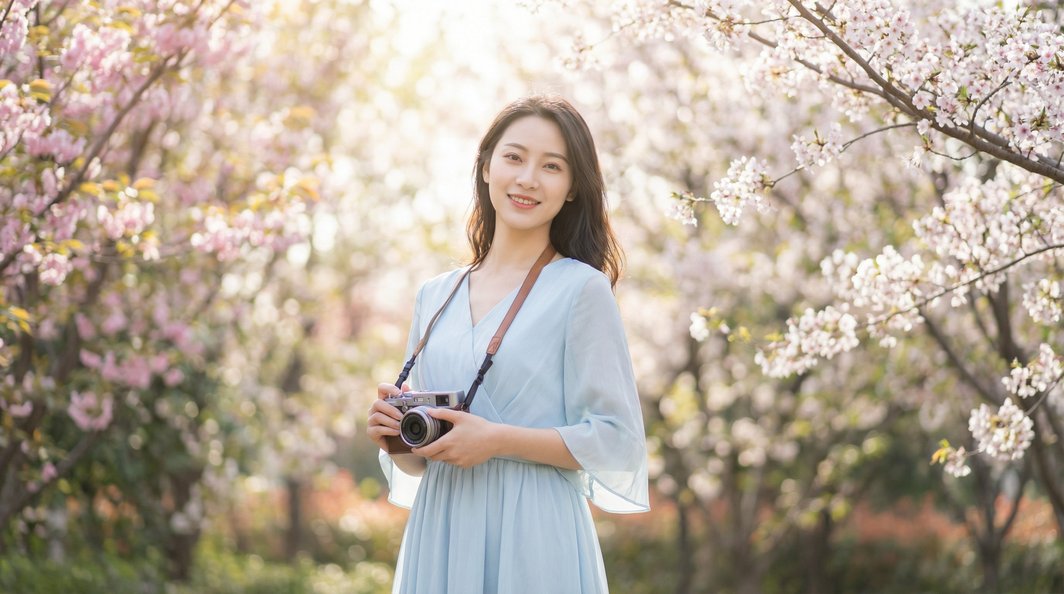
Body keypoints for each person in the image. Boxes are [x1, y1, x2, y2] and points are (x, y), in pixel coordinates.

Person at [366, 94, 649, 594]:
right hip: (441, 529)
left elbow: (618, 440)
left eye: (552, 166)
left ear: (572, 188)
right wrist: (394, 434)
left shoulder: (581, 289)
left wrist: (497, 440)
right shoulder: (436, 294)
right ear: (485, 166)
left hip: (533, 533)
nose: (528, 178)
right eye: (514, 157)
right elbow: (420, 461)